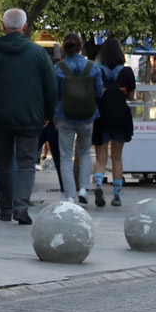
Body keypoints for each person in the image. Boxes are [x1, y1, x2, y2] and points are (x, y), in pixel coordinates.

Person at [0, 7, 57, 224]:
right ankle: (21, 208)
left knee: (3, 162)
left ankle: (5, 208)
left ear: (3, 27)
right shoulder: (38, 53)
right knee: (27, 163)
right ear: (25, 27)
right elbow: (51, 87)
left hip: (0, 117)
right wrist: (47, 114)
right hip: (31, 117)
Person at [52, 33, 105, 202]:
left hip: (64, 116)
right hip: (88, 115)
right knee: (84, 152)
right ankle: (84, 188)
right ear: (81, 45)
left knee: (66, 157)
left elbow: (55, 93)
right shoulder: (92, 67)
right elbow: (98, 92)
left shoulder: (59, 68)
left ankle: (70, 195)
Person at [90, 38, 136, 207]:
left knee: (101, 158)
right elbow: (131, 96)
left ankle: (98, 185)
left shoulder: (97, 70)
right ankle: (117, 195)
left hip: (101, 117)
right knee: (117, 158)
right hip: (120, 117)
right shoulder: (127, 72)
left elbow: (94, 93)